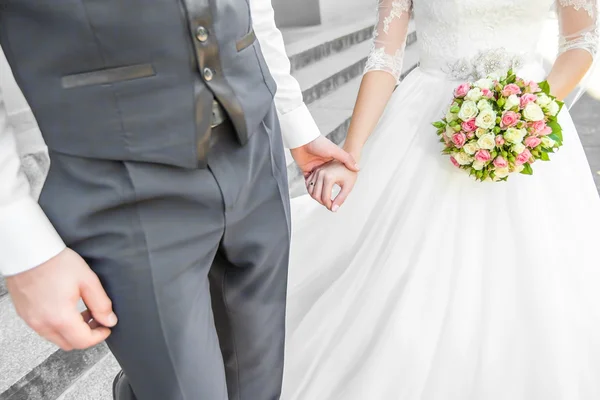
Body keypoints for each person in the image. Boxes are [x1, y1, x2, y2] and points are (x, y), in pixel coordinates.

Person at [0, 0, 358, 399]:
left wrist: (295, 121)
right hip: (121, 181)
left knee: (260, 388)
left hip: (256, 143)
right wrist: (20, 242)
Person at [282, 0, 600, 399]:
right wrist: (352, 153)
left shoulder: (528, 110)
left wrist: (525, 112)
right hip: (425, 125)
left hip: (528, 115)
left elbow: (580, 40)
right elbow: (385, 57)